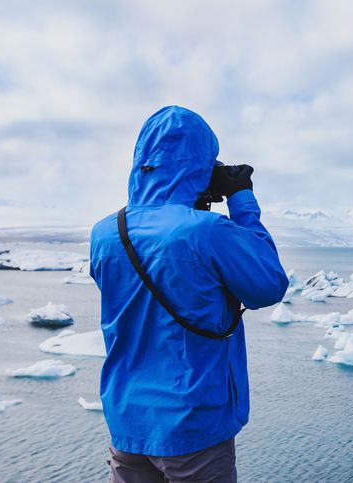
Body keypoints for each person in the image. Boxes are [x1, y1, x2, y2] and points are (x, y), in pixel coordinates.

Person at [90, 106, 288, 482]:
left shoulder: (105, 232)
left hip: (127, 420)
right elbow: (268, 284)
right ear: (199, 165)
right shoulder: (205, 231)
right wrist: (241, 198)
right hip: (192, 422)